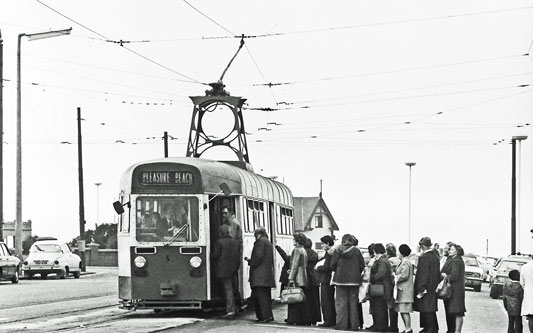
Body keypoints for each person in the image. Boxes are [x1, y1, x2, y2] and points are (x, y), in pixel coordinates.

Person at [330, 234, 365, 331]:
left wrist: (337, 270)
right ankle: (353, 325)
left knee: (341, 303)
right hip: (354, 281)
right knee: (353, 303)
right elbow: (362, 264)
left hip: (340, 280)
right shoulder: (356, 251)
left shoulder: (337, 250)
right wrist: (357, 272)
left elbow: (332, 265)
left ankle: (342, 325)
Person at [210, 224, 240, 319]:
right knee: (234, 289)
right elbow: (237, 257)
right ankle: (237, 307)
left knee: (228, 290)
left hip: (223, 270)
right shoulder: (235, 242)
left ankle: (230, 311)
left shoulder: (219, 242)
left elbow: (215, 255)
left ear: (220, 233)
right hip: (233, 269)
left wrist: (209, 254)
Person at [245, 227, 275, 323]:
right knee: (266, 296)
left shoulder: (260, 242)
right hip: (266, 275)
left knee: (260, 297)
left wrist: (250, 261)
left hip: (259, 276)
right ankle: (268, 316)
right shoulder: (267, 242)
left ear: (257, 234)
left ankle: (264, 316)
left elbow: (258, 257)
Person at [413, 237, 441, 333]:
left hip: (425, 286)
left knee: (426, 308)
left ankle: (429, 329)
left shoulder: (425, 257)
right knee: (430, 308)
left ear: (422, 246)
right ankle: (432, 328)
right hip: (432, 285)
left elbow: (423, 274)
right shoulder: (435, 256)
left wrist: (421, 287)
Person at [287, 233, 312, 326]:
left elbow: (295, 265)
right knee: (302, 298)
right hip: (303, 276)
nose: (293, 241)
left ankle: (294, 318)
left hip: (298, 276)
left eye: (294, 239)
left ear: (297, 241)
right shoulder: (303, 250)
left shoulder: (296, 250)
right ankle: (304, 319)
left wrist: (291, 277)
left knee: (294, 298)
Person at [440, 243, 466, 333]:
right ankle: (451, 330)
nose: (449, 251)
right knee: (451, 311)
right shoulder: (452, 259)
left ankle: (456, 331)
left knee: (457, 311)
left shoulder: (457, 261)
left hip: (455, 289)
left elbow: (455, 276)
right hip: (452, 289)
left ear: (457, 251)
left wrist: (445, 276)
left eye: (452, 249)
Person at [220, 206, 243, 308]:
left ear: (230, 213)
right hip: (235, 256)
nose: (223, 215)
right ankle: (238, 304)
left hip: (231, 257)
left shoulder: (233, 223)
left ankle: (232, 307)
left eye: (225, 213)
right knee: (233, 282)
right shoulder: (235, 222)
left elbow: (231, 238)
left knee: (230, 284)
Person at [369, 243, 394, 332]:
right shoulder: (383, 260)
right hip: (382, 286)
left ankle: (380, 326)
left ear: (375, 251)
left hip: (381, 287)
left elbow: (381, 274)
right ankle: (379, 325)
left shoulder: (382, 261)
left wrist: (371, 277)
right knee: (379, 307)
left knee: (379, 307)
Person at [315, 235, 336, 327]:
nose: (322, 246)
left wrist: (318, 267)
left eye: (323, 244)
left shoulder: (329, 253)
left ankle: (328, 320)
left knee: (326, 301)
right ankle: (332, 319)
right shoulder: (332, 252)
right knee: (330, 300)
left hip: (326, 280)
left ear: (327, 243)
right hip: (330, 280)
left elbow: (327, 267)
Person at [394, 244, 414, 333]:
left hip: (404, 290)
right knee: (402, 310)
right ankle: (407, 328)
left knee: (404, 310)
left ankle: (408, 328)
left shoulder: (405, 262)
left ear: (401, 252)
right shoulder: (405, 261)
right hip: (403, 289)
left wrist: (396, 278)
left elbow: (404, 275)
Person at [304, 237, 322, 325]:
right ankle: (315, 318)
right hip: (314, 278)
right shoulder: (314, 253)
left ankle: (307, 318)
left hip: (306, 277)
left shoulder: (304, 253)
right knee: (315, 300)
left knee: (307, 299)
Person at [386, 243, 401, 333]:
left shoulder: (389, 261)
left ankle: (392, 327)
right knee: (394, 308)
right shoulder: (398, 260)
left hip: (390, 285)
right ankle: (394, 325)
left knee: (390, 307)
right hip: (397, 285)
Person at [521, 259, 533, 332]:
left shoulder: (525, 267)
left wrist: (526, 288)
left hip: (529, 292)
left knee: (531, 315)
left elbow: (522, 282)